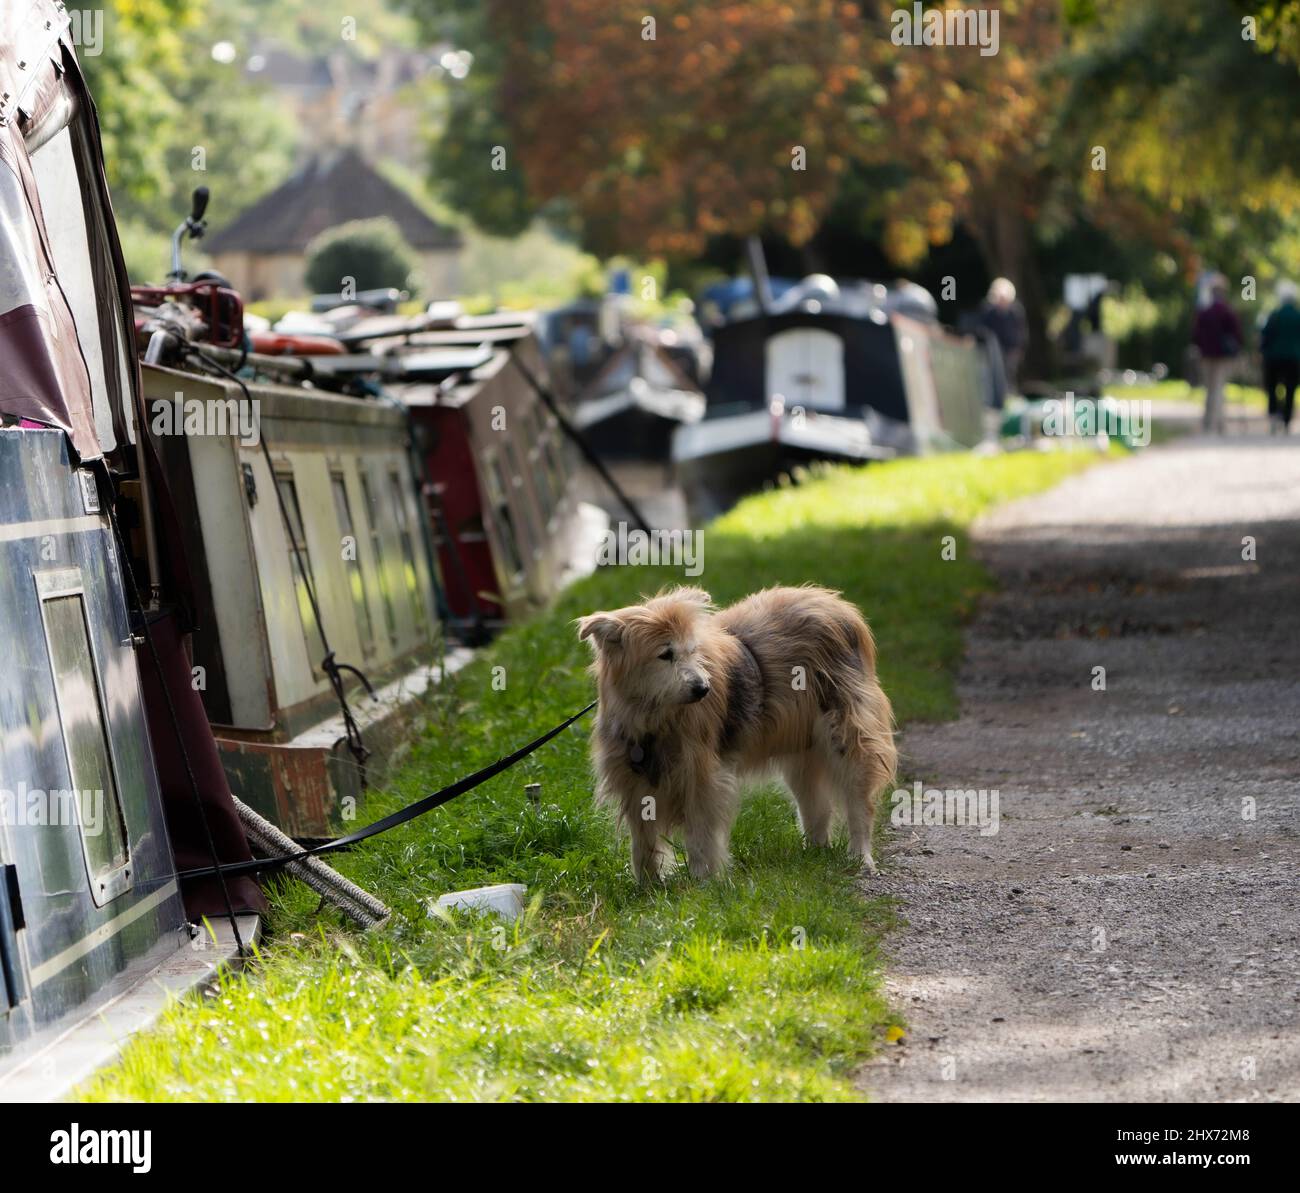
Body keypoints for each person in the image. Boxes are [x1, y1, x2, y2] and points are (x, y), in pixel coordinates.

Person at [1192, 277, 1243, 434]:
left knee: (1209, 389)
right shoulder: (1228, 312)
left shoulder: (1204, 312)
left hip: (1206, 354)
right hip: (1222, 356)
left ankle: (1209, 422)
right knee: (1219, 388)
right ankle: (1219, 422)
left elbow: (1196, 335)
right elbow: (1237, 335)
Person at [1260, 281, 1300, 434]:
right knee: (1290, 389)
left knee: (1272, 388)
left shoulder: (1274, 315)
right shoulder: (1297, 316)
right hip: (1293, 358)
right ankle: (1287, 420)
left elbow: (1265, 336)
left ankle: (1274, 416)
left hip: (1273, 358)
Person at [978, 277, 1028, 392]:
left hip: (1012, 349)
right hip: (994, 349)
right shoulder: (988, 311)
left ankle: (1010, 394)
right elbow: (984, 330)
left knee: (1010, 374)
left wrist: (1019, 348)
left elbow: (1022, 331)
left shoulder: (1016, 310)